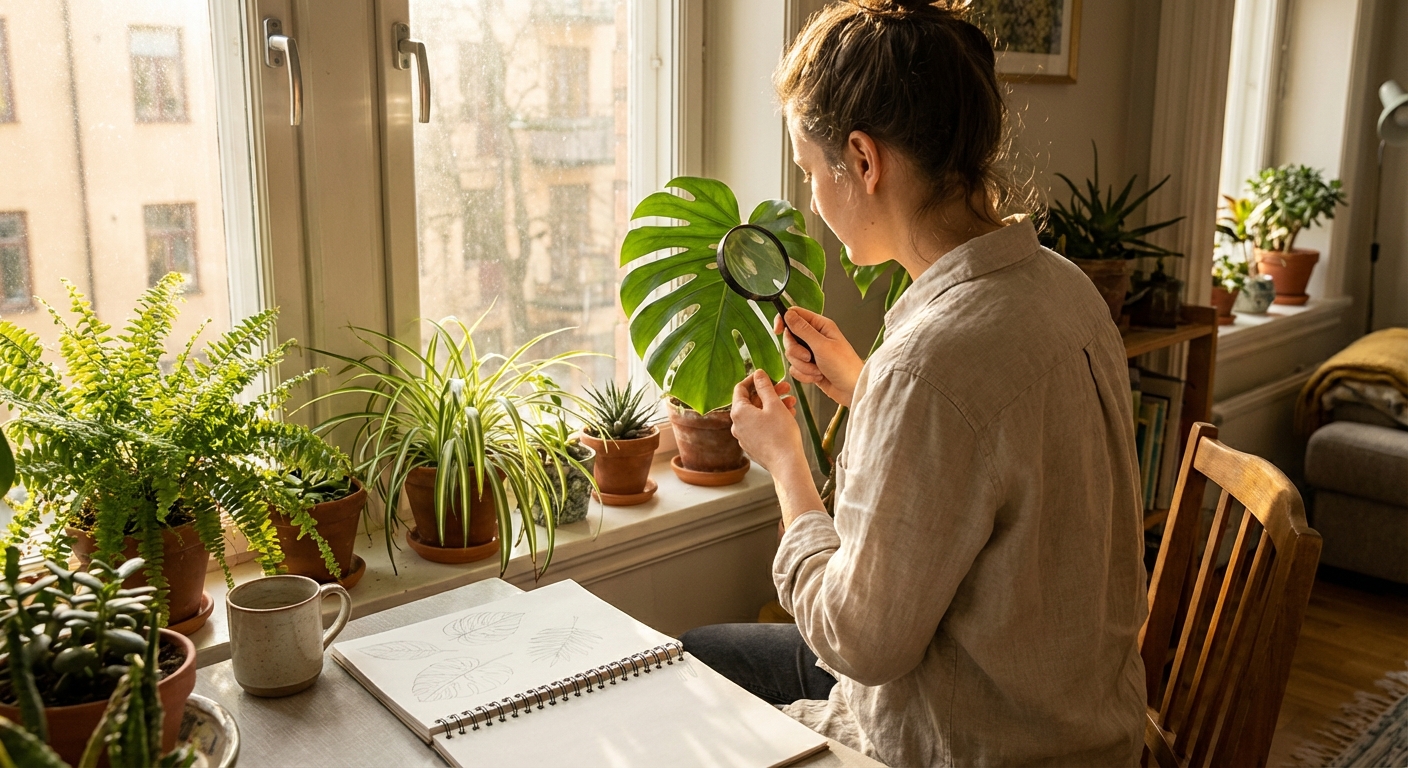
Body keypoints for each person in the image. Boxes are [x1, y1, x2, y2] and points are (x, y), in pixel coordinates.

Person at [679, 1, 1149, 766]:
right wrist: (866, 388)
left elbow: (861, 643)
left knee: (687, 669)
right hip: (1086, 727)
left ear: (864, 161)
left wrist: (787, 464)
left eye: (809, 173)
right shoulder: (1063, 286)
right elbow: (989, 459)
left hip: (970, 745)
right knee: (704, 646)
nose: (811, 201)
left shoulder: (929, 365)